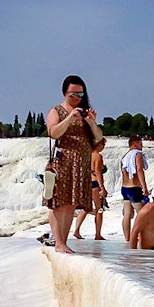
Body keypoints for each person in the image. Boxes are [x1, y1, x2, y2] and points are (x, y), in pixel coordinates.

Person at [46, 75, 103, 254]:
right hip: (62, 162)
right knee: (58, 202)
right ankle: (59, 242)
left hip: (80, 165)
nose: (77, 97)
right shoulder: (57, 111)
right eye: (73, 94)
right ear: (65, 93)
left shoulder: (86, 113)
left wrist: (92, 123)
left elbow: (99, 138)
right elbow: (53, 133)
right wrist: (70, 117)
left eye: (80, 93)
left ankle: (63, 241)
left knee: (71, 204)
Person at [71, 138, 108, 240]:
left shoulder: (85, 155)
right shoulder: (98, 156)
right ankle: (98, 234)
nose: (103, 147)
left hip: (86, 183)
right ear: (98, 145)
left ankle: (76, 230)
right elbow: (98, 172)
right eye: (103, 144)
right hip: (95, 183)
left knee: (86, 208)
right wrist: (102, 187)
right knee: (99, 208)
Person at [120, 136, 150, 242]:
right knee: (142, 214)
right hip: (134, 188)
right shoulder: (137, 154)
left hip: (125, 188)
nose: (142, 146)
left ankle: (127, 238)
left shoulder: (125, 157)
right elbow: (139, 170)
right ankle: (142, 237)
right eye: (141, 144)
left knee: (127, 215)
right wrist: (144, 187)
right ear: (135, 144)